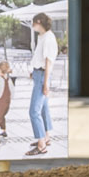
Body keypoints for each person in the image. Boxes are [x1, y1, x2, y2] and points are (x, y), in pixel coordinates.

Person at [25, 9, 59, 155]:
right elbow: (40, 57)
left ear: (39, 22)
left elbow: (48, 62)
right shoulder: (43, 36)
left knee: (34, 111)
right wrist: (34, 71)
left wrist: (45, 84)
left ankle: (41, 145)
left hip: (43, 76)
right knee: (43, 109)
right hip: (38, 74)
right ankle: (46, 137)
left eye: (33, 23)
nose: (32, 25)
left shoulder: (48, 38)